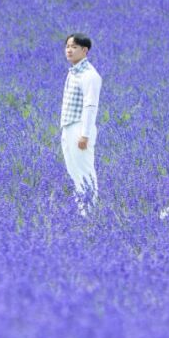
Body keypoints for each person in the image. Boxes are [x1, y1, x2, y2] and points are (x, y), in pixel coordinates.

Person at [60, 33, 102, 213]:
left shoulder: (89, 75)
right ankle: (81, 209)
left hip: (79, 128)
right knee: (74, 171)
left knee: (85, 172)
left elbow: (90, 106)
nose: (69, 50)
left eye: (74, 47)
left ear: (85, 51)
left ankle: (89, 212)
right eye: (68, 46)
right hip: (69, 126)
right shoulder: (75, 72)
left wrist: (84, 134)